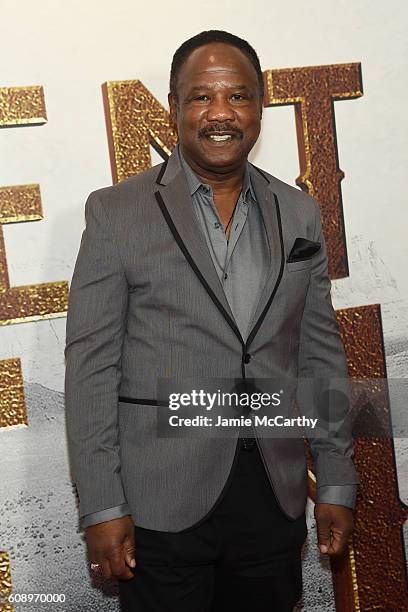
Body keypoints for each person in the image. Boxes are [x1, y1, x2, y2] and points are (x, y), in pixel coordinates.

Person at [64, 29, 359, 612]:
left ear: (260, 107)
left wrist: (336, 478)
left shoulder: (300, 212)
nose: (220, 113)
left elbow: (319, 357)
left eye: (238, 96)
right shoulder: (115, 212)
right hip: (159, 500)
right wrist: (102, 504)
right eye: (201, 97)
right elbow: (91, 372)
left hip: (273, 498)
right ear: (174, 109)